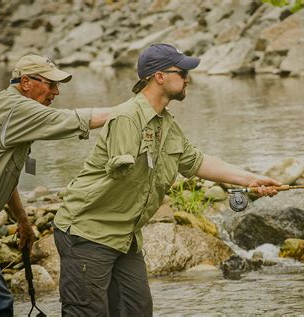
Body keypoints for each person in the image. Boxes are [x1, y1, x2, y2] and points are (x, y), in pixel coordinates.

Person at [53, 43, 280, 316]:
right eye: (182, 72)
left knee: (138, 310)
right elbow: (118, 166)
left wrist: (252, 179)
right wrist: (122, 161)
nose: (188, 78)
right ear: (159, 76)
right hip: (88, 233)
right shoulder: (127, 117)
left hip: (126, 237)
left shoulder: (166, 124)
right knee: (87, 312)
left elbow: (198, 162)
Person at [0, 54, 112, 316]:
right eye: (50, 84)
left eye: (58, 85)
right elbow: (71, 120)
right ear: (26, 82)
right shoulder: (15, 107)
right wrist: (137, 111)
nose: (56, 92)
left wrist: (23, 220)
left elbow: (3, 176)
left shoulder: (7, 107)